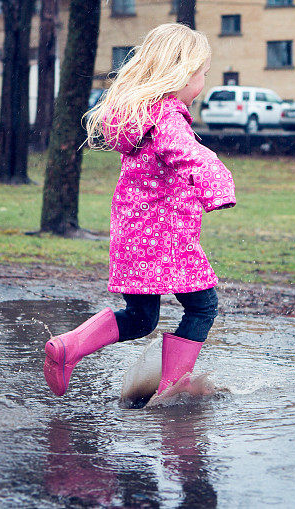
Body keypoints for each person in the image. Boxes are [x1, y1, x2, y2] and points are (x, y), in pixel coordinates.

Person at [43, 23, 236, 399]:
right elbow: (190, 154)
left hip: (134, 239)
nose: (202, 83)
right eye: (202, 75)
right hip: (167, 240)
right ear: (180, 73)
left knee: (141, 317)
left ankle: (69, 346)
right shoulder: (167, 117)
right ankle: (172, 391)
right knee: (203, 306)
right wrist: (218, 184)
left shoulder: (138, 114)